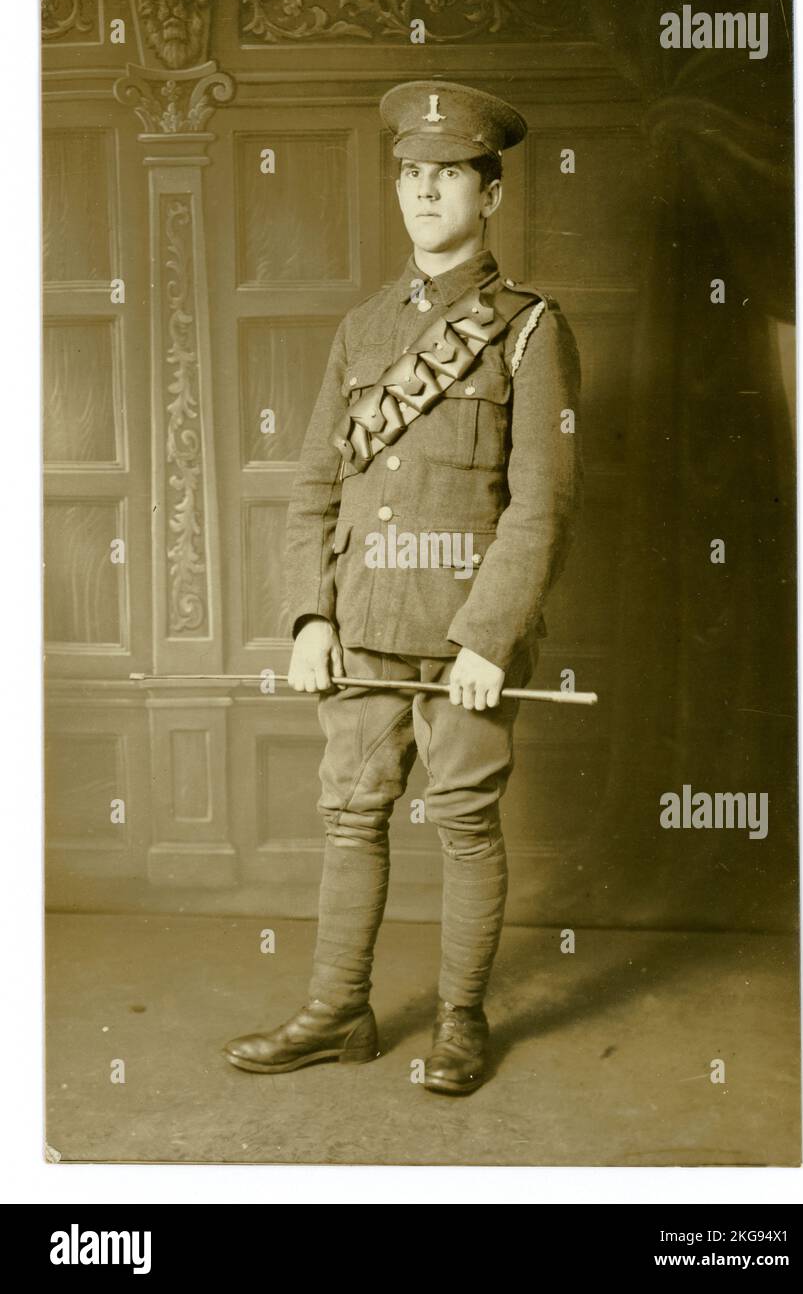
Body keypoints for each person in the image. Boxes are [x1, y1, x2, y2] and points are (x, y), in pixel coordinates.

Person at [223, 79, 583, 1094]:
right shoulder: (363, 329)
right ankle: (339, 1011)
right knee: (350, 814)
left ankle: (461, 1020)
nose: (424, 192)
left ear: (491, 193)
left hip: (461, 638)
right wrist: (307, 615)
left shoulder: (527, 331)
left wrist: (488, 637)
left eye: (448, 174)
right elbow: (314, 484)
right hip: (362, 626)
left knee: (463, 821)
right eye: (410, 174)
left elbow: (540, 503)